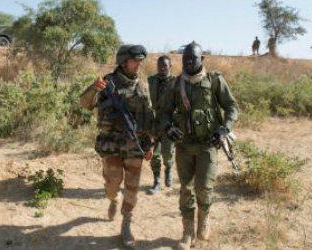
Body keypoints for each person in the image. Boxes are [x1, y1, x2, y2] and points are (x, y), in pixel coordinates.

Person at [159, 41, 238, 250]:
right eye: (185, 59)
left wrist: (223, 130)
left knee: (203, 187)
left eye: (193, 58)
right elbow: (164, 112)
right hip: (184, 146)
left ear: (202, 59)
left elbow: (231, 107)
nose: (189, 62)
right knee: (186, 189)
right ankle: (187, 233)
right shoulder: (175, 84)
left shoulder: (214, 81)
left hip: (207, 146)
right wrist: (167, 127)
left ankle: (204, 220)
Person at [80, 44, 155, 248]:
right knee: (112, 186)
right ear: (124, 62)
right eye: (135, 60)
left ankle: (126, 222)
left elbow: (149, 120)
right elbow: (85, 104)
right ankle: (112, 199)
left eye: (141, 60)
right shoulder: (107, 83)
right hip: (111, 146)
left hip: (134, 147)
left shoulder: (143, 87)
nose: (139, 64)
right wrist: (93, 88)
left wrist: (151, 145)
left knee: (132, 188)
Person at [146, 55, 175, 195]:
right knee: (154, 154)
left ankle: (169, 170)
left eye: (165, 65)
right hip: (154, 122)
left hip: (169, 123)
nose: (162, 68)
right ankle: (156, 181)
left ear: (170, 66)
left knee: (167, 153)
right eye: (159, 65)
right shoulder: (151, 80)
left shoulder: (175, 82)